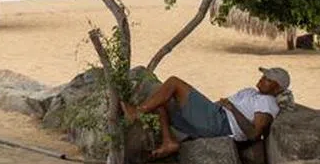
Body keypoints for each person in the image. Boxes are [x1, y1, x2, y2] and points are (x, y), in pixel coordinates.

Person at [121, 67, 290, 159]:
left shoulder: (267, 103)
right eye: (263, 76)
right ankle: (168, 142)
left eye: (268, 79)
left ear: (278, 87)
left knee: (173, 82)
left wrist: (232, 109)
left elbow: (254, 134)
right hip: (215, 115)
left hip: (221, 123)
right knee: (160, 99)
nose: (261, 79)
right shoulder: (251, 92)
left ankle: (137, 112)